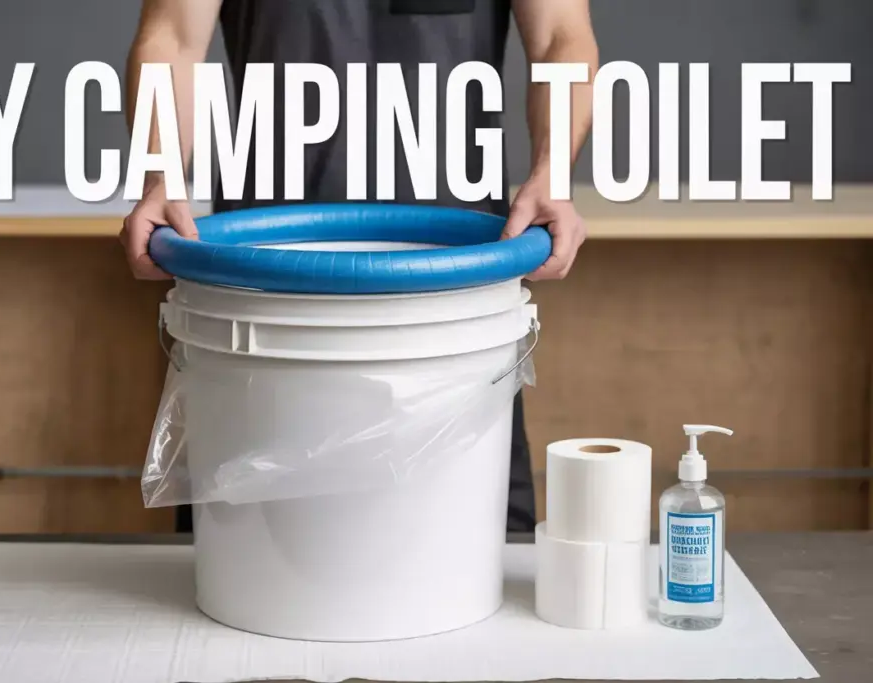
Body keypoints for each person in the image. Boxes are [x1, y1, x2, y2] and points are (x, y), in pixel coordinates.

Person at [121, 0, 597, 533]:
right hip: (268, 298)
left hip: (452, 300)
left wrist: (553, 173)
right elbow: (172, 41)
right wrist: (159, 177)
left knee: (466, 551)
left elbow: (561, 37)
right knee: (253, 553)